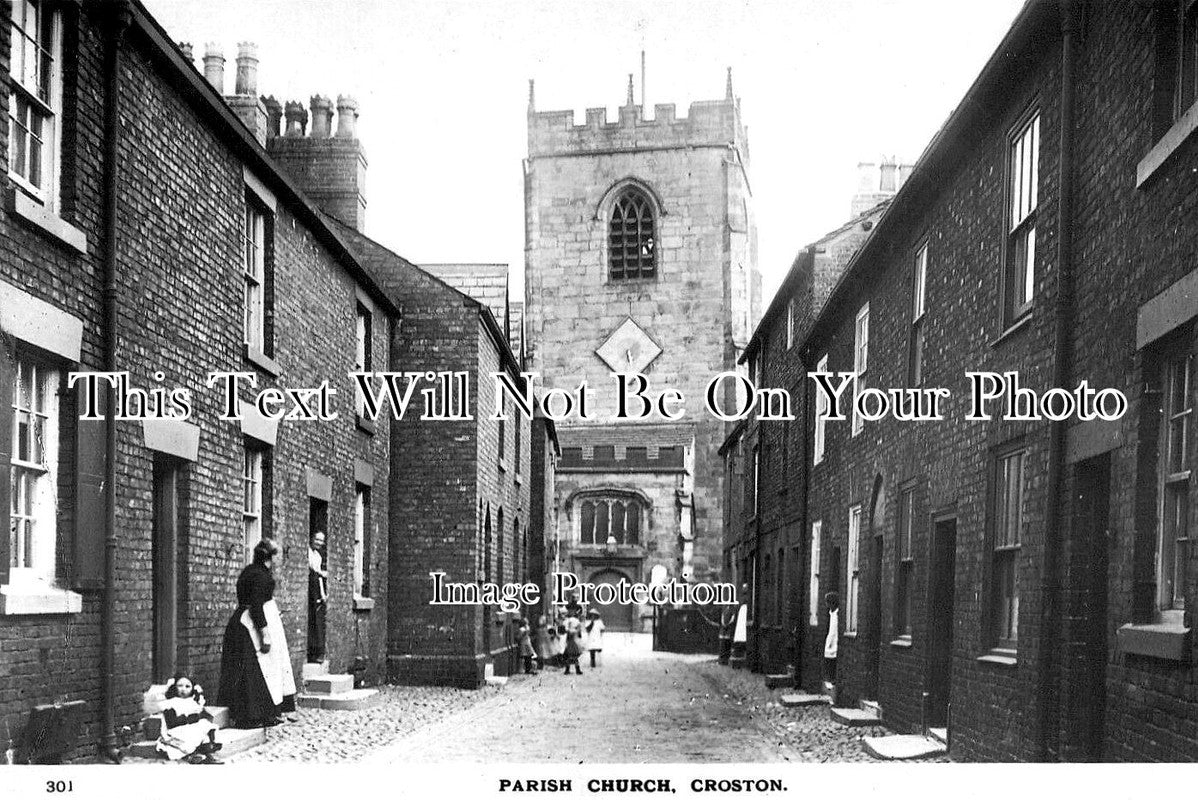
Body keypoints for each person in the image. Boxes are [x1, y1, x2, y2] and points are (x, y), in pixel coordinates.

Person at [217, 539, 297, 728]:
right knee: (256, 670)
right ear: (270, 558)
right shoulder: (261, 576)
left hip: (240, 624)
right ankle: (252, 716)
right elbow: (256, 606)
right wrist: (265, 633)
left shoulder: (249, 571)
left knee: (257, 671)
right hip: (250, 627)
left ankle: (263, 713)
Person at [155, 674, 221, 764]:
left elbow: (205, 716)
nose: (183, 689)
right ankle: (192, 756)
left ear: (193, 688)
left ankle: (208, 751)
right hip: (175, 731)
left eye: (187, 686)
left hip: (189, 728)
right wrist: (192, 718)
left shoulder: (193, 702)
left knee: (205, 725)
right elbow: (172, 722)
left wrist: (200, 712)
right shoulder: (170, 703)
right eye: (180, 686)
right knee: (191, 737)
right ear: (174, 687)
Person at [307, 530, 328, 664]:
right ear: (311, 538)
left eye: (321, 540)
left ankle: (316, 652)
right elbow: (313, 570)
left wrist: (323, 594)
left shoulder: (318, 556)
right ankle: (312, 651)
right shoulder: (307, 552)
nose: (319, 543)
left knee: (317, 619)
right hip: (309, 587)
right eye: (317, 539)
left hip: (315, 587)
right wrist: (321, 573)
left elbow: (319, 578)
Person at [823, 591, 840, 699]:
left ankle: (832, 681)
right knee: (829, 659)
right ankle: (830, 680)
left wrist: (830, 642)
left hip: (834, 640)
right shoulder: (831, 613)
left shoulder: (837, 614)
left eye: (827, 602)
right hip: (831, 640)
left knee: (832, 660)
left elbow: (834, 630)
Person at [730, 583, 749, 668]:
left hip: (743, 614)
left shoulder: (742, 601)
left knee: (741, 631)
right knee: (741, 630)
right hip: (743, 614)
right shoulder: (743, 601)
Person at [562, 608, 584, 675]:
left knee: (568, 657)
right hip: (575, 643)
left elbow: (565, 632)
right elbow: (579, 632)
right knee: (575, 657)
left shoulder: (567, 622)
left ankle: (567, 669)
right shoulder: (576, 622)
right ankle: (577, 669)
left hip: (569, 643)